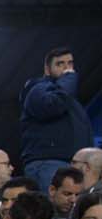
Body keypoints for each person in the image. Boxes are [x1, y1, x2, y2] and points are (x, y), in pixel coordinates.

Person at [21, 47, 90, 191]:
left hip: (65, 163)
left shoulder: (68, 97)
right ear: (47, 70)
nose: (67, 69)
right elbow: (53, 105)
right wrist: (70, 78)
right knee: (50, 211)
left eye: (70, 63)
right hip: (49, 162)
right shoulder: (38, 88)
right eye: (60, 64)